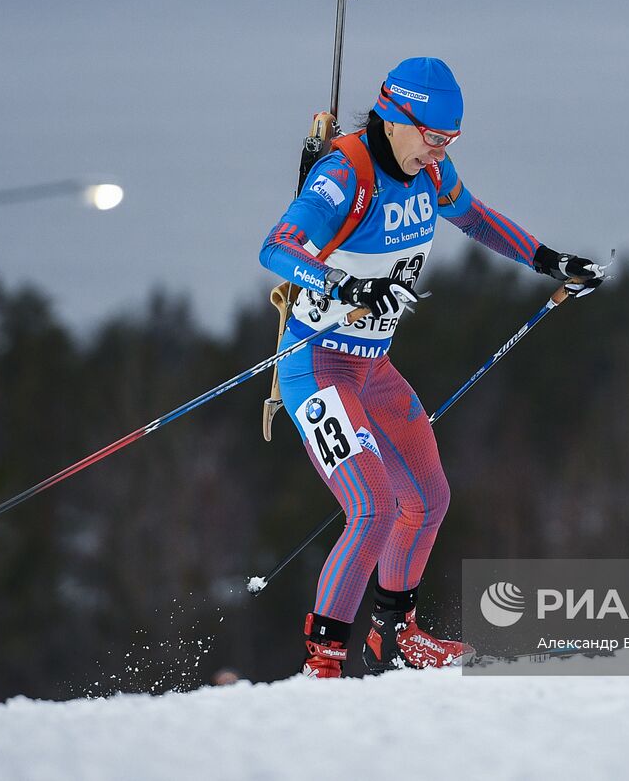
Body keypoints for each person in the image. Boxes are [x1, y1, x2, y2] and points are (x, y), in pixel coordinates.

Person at [259, 57, 604, 678]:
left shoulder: (431, 174)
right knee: (373, 506)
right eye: (432, 137)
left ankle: (394, 637)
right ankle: (325, 660)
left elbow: (474, 217)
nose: (439, 151)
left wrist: (550, 260)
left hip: (373, 369)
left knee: (428, 497)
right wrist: (343, 287)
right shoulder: (345, 174)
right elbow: (276, 248)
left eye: (450, 140)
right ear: (395, 117)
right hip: (316, 366)